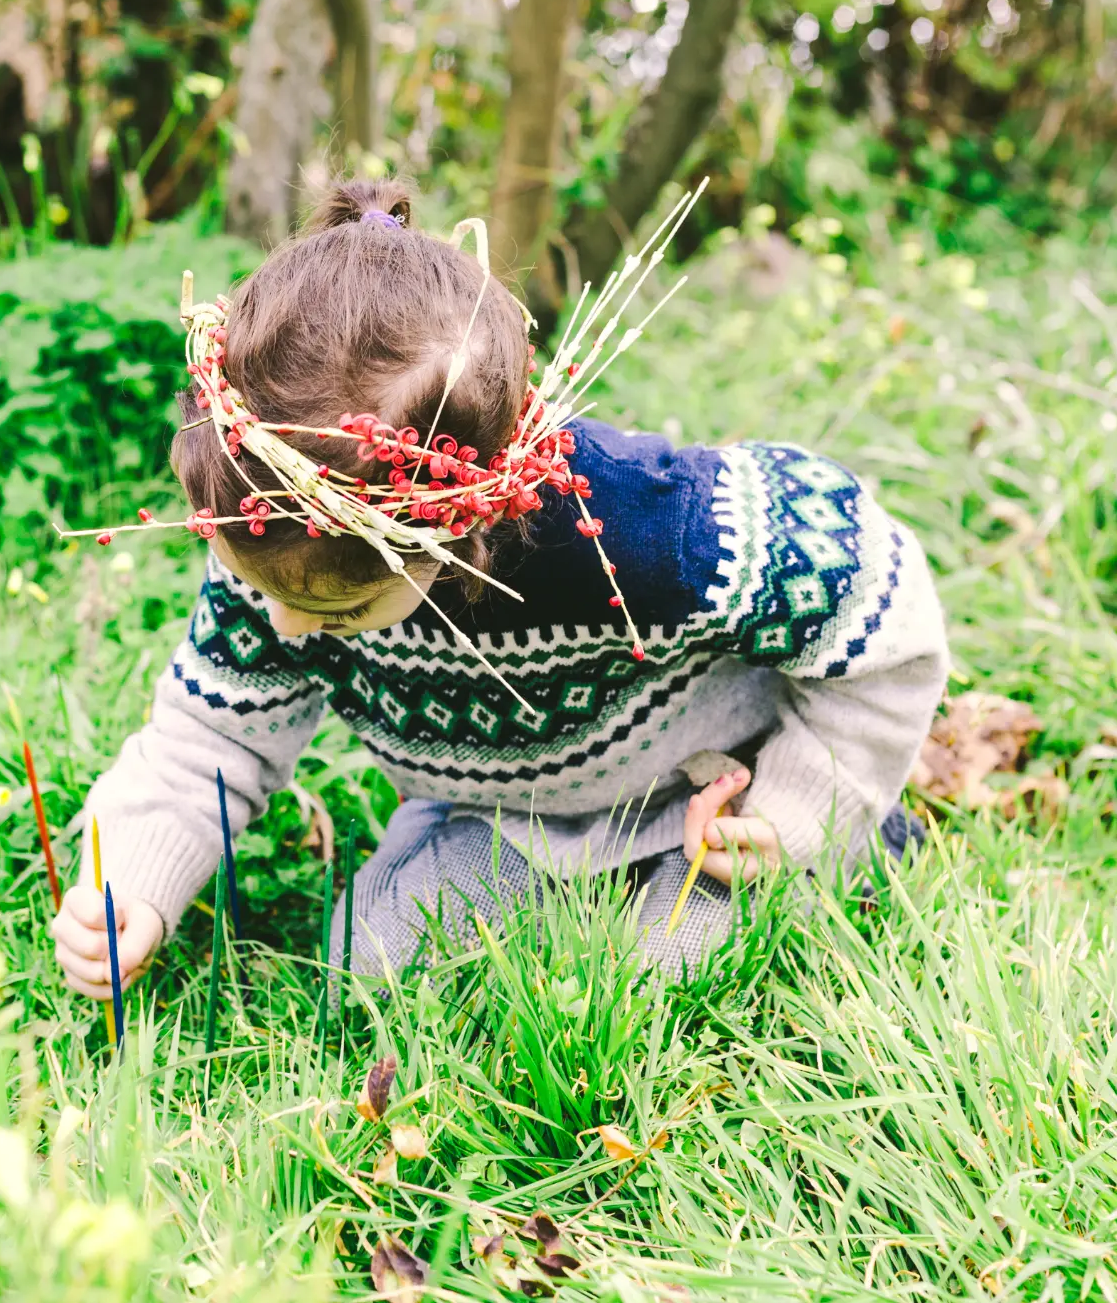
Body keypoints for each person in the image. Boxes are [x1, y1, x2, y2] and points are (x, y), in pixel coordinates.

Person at [50, 179, 948, 1000]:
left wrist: (794, 810)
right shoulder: (279, 532)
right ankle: (551, 887)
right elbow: (210, 733)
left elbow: (882, 597)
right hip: (505, 817)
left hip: (710, 804)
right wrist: (129, 878)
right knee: (371, 970)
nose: (288, 626)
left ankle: (858, 845)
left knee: (661, 982)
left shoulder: (658, 532)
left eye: (339, 614)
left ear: (454, 532)